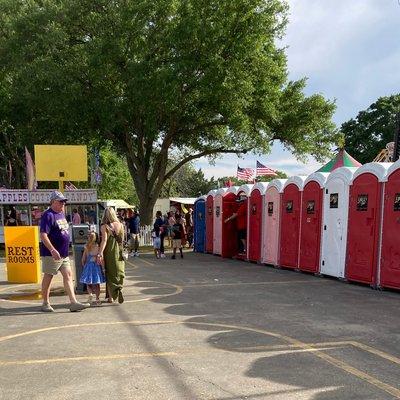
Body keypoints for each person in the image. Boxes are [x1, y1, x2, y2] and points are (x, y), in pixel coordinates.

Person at [40, 191, 90, 312]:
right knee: (48, 276)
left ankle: (73, 302)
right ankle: (45, 303)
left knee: (68, 275)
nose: (63, 203)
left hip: (63, 253)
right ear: (53, 202)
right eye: (60, 201)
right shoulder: (48, 215)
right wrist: (52, 249)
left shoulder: (61, 213)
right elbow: (43, 235)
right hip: (52, 254)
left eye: (64, 201)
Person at [98, 207, 125, 304]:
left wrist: (100, 253)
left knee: (109, 273)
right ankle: (119, 288)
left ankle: (111, 297)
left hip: (109, 251)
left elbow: (104, 240)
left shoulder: (104, 226)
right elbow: (122, 240)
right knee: (119, 272)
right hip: (119, 251)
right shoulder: (121, 225)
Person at [79, 231, 105, 306]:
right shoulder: (98, 247)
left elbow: (83, 259)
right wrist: (103, 268)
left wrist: (84, 265)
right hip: (96, 267)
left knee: (88, 283)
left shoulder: (86, 247)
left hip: (88, 266)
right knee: (97, 284)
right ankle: (97, 299)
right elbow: (101, 259)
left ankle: (90, 294)